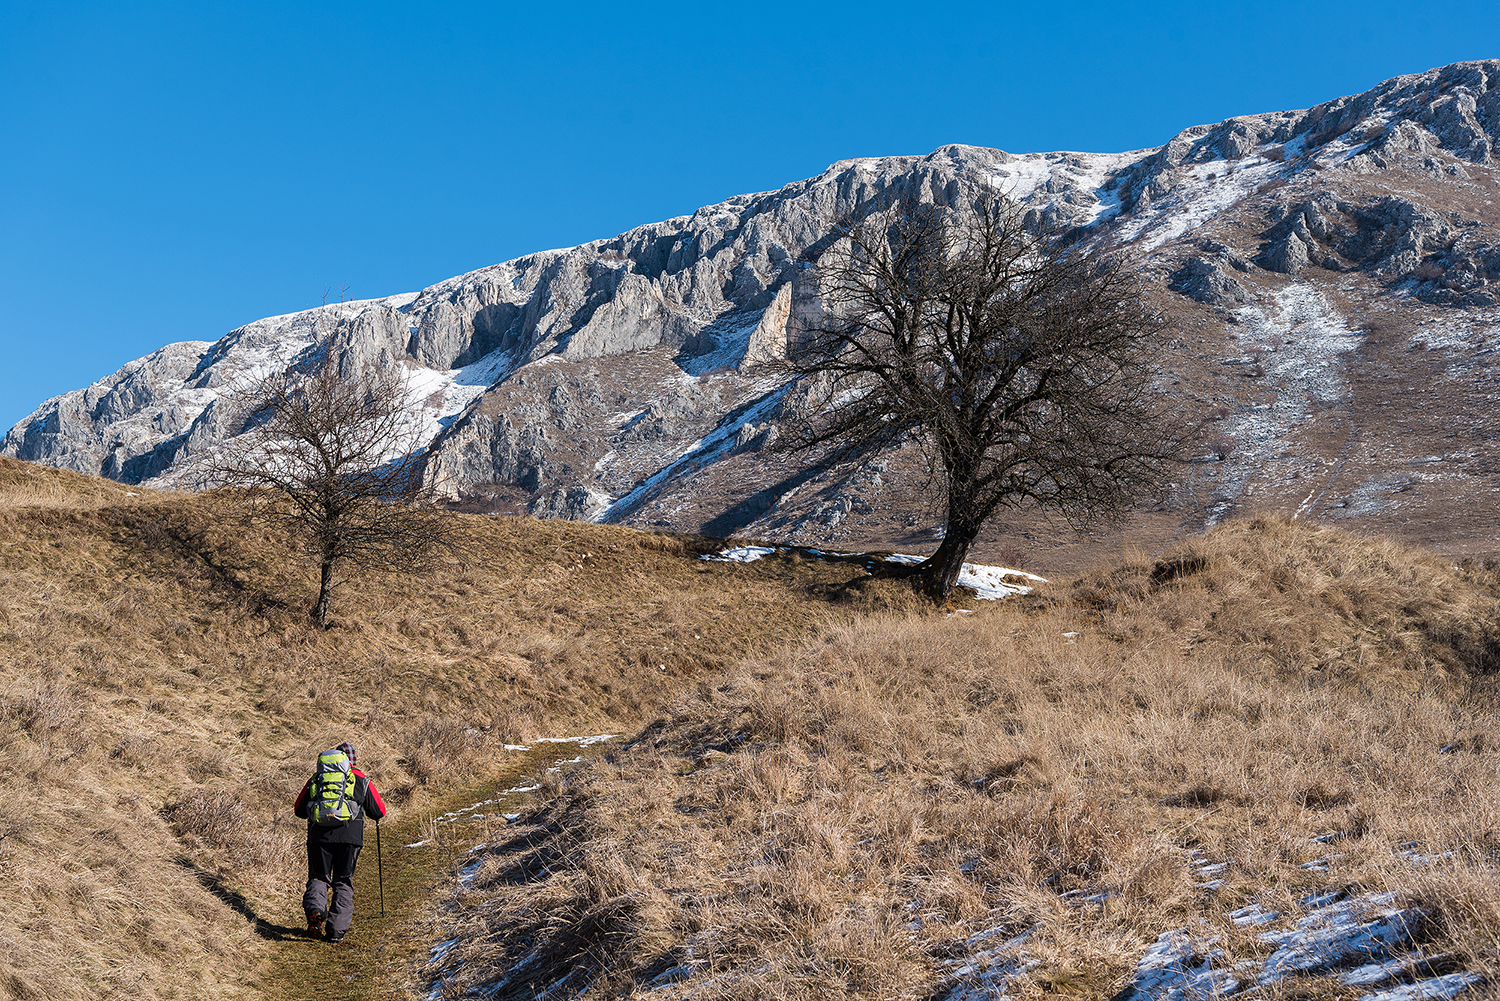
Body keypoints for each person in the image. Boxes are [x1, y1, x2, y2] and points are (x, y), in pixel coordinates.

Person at [293, 741, 387, 942]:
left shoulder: (317, 778)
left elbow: (298, 810)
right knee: (343, 881)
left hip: (318, 836)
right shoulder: (360, 778)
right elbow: (379, 811)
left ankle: (315, 910)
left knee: (319, 877)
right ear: (351, 760)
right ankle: (336, 931)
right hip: (350, 837)